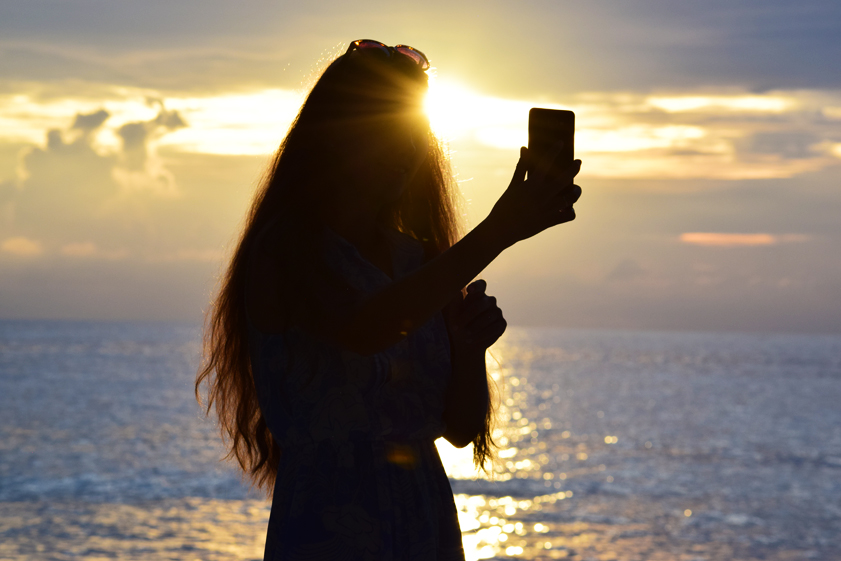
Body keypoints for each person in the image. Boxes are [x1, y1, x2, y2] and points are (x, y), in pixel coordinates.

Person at [196, 39, 582, 561]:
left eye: (412, 132)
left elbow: (461, 427)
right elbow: (366, 328)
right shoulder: (288, 249)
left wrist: (468, 349)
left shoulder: (419, 259)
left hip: (425, 523)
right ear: (338, 136)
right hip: (329, 527)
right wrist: (501, 229)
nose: (403, 148)